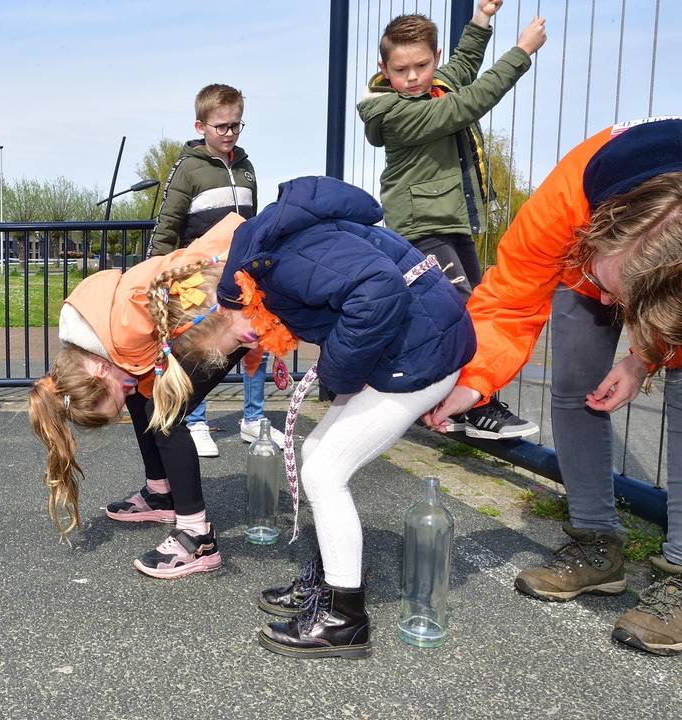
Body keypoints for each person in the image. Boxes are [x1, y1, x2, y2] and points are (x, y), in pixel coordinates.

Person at [32, 177, 475, 659]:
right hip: (414, 339)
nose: (250, 345)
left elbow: (379, 289)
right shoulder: (254, 271)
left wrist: (337, 371)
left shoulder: (276, 268)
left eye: (241, 342)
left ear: (228, 311)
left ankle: (345, 620)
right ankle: (332, 588)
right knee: (315, 455)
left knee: (326, 472)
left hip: (422, 349)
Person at [425, 117, 682, 656]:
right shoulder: (566, 204)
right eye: (611, 287)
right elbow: (510, 299)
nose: (612, 307)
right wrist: (472, 382)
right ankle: (596, 545)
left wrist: (643, 357)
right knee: (575, 385)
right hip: (585, 255)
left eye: (627, 304)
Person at [359, 2, 546, 439]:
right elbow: (469, 104)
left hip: (452, 222)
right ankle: (473, 407)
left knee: (473, 309)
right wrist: (520, 52)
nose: (411, 77)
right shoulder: (396, 113)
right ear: (383, 68)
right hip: (422, 228)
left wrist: (481, 19)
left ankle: (425, 392)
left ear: (434, 59)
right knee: (463, 313)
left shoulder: (436, 84)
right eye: (401, 69)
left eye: (421, 66)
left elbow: (463, 67)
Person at [28, 213, 246, 580]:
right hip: (226, 291)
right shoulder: (98, 340)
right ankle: (162, 494)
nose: (123, 391)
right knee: (141, 396)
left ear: (97, 371)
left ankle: (198, 537)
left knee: (164, 411)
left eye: (108, 401)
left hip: (235, 296)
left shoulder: (122, 334)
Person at [145, 83, 280, 457]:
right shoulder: (187, 169)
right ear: (200, 125)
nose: (229, 133)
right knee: (200, 348)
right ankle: (196, 420)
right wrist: (155, 272)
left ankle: (254, 419)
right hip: (198, 275)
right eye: (221, 126)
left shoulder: (247, 166)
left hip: (240, 273)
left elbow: (251, 222)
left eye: (236, 125)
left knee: (254, 341)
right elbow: (168, 223)